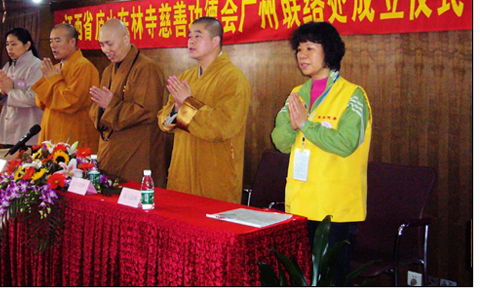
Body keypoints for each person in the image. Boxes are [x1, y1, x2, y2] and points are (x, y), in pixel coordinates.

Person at [271, 21, 372, 285]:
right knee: (301, 278)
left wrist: (306, 125)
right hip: (300, 202)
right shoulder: (296, 94)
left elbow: (346, 143)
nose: (301, 55)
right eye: (299, 49)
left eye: (310, 48)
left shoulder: (353, 95)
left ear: (329, 51)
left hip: (335, 208)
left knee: (331, 280)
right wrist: (294, 127)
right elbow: (280, 141)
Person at [157, 17, 251, 203]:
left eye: (198, 36)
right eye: (189, 36)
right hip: (182, 169)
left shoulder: (233, 78)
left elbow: (222, 126)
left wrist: (187, 103)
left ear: (215, 41)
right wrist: (177, 108)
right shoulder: (186, 77)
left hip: (214, 172)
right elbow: (164, 123)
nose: (191, 41)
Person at [89, 19, 167, 187]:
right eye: (102, 45)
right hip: (111, 149)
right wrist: (102, 107)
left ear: (126, 38)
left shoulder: (147, 68)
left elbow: (147, 111)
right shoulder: (109, 70)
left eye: (110, 44)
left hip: (137, 151)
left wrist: (110, 105)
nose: (106, 50)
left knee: (135, 195)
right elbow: (98, 107)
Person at [32, 23, 100, 152]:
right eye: (51, 41)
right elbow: (40, 101)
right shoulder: (55, 68)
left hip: (72, 135)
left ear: (72, 42)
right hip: (51, 132)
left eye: (57, 41)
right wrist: (51, 78)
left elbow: (71, 102)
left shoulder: (84, 67)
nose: (53, 45)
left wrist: (53, 79)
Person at [0, 27, 43, 147]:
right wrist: (3, 92)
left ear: (27, 45)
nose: (9, 48)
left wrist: (10, 91)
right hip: (8, 130)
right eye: (7, 44)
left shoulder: (36, 66)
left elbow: (34, 98)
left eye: (13, 44)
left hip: (28, 131)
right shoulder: (8, 66)